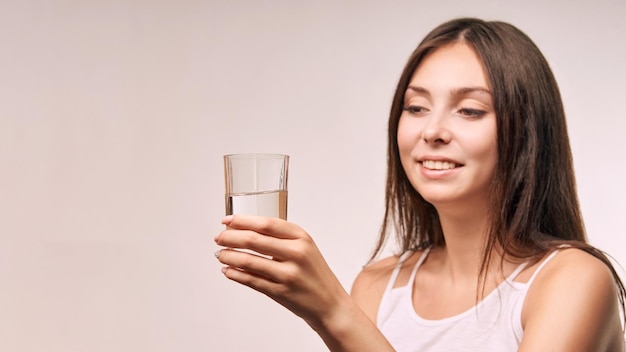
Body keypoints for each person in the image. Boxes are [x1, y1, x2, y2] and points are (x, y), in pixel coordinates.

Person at [214, 17, 626, 351]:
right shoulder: (379, 287)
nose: (432, 130)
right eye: (416, 107)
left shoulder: (572, 280)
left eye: (469, 110)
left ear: (528, 131)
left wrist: (332, 311)